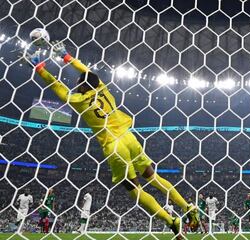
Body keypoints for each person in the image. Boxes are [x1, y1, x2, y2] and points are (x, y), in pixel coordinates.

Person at [23, 43, 199, 239]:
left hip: (115, 147)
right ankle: (188, 207)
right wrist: (66, 57)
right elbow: (88, 72)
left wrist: (40, 68)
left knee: (135, 191)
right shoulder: (102, 88)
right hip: (129, 137)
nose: (76, 85)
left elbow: (58, 87)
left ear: (83, 85)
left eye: (79, 83)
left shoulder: (79, 101)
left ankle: (171, 221)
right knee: (153, 177)